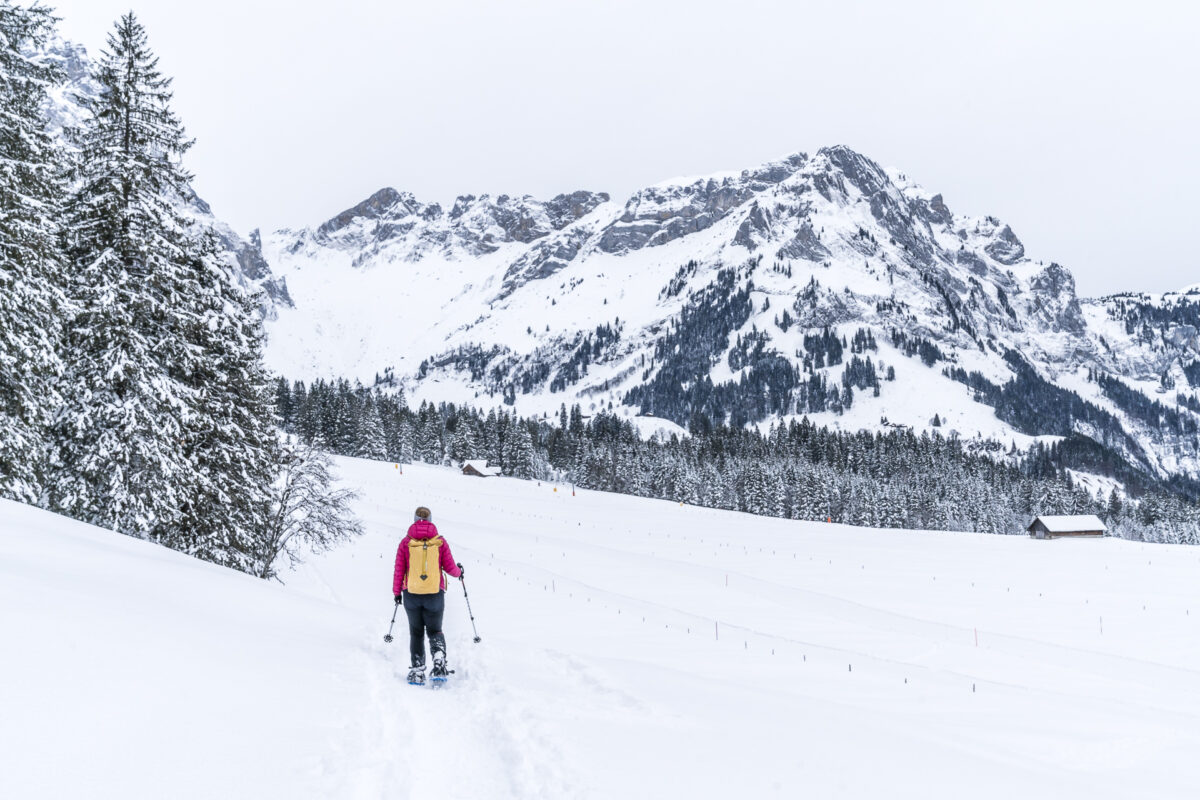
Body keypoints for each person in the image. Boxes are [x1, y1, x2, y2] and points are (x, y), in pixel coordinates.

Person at [393, 506, 463, 684]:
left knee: (416, 633)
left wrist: (396, 593)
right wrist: (459, 572)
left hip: (411, 594)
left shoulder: (406, 542)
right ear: (430, 519)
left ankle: (417, 671)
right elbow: (450, 567)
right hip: (434, 594)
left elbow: (399, 570)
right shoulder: (439, 542)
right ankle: (439, 663)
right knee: (435, 630)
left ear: (414, 519)